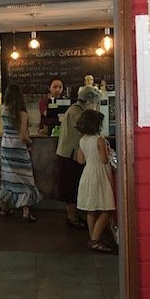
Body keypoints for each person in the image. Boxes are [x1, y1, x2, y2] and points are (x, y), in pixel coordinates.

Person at [55, 85, 103, 229]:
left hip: (71, 153)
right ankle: (72, 217)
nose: (95, 106)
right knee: (70, 186)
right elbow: (86, 128)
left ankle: (74, 215)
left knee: (73, 185)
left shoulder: (76, 110)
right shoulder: (77, 112)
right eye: (95, 102)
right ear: (89, 100)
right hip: (70, 154)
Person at [0, 83, 42, 222]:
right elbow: (23, 135)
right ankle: (26, 211)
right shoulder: (22, 114)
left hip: (5, 145)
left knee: (7, 176)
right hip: (18, 148)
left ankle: (5, 208)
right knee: (25, 177)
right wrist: (30, 142)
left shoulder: (3, 109)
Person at [75, 108, 116, 253]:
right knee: (107, 208)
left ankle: (93, 237)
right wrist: (109, 152)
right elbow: (104, 160)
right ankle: (95, 240)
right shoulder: (100, 139)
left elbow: (80, 160)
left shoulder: (83, 140)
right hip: (100, 175)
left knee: (91, 209)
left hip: (88, 174)